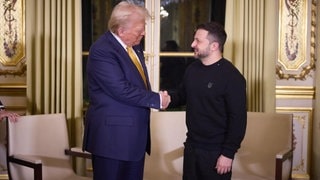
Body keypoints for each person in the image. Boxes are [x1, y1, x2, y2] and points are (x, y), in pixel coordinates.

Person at [82, 1, 170, 180]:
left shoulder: (133, 46)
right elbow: (120, 89)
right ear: (121, 30)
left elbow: (136, 84)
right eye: (139, 29)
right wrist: (157, 99)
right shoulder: (102, 50)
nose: (143, 33)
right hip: (112, 140)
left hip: (133, 139)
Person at [169, 22, 247, 180]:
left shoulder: (232, 77)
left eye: (198, 41)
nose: (192, 44)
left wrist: (227, 153)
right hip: (191, 146)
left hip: (217, 152)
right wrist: (162, 99)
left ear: (214, 46)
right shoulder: (192, 69)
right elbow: (181, 96)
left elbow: (238, 119)